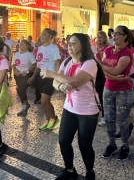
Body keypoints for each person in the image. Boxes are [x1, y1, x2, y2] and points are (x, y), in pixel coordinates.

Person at [40, 33, 99, 180]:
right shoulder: (66, 61)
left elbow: (75, 81)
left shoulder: (89, 63)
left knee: (84, 145)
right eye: (69, 43)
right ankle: (70, 170)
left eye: (74, 43)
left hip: (88, 110)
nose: (69, 45)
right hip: (70, 108)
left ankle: (90, 172)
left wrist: (52, 74)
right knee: (63, 141)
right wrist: (60, 86)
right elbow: (56, 82)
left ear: (82, 46)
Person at [100, 26, 134, 161]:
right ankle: (112, 144)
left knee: (122, 120)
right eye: (113, 34)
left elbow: (116, 70)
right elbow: (106, 71)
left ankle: (125, 146)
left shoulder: (126, 53)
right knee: (108, 119)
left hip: (124, 91)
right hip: (108, 89)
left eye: (118, 34)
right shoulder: (108, 50)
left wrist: (104, 68)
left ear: (125, 36)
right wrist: (113, 76)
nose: (114, 36)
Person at [28, 28, 61, 130]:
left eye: (44, 34)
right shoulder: (39, 48)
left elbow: (57, 63)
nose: (41, 36)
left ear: (50, 37)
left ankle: (53, 119)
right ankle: (48, 119)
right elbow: (39, 64)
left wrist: (58, 77)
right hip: (40, 77)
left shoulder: (54, 48)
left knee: (44, 100)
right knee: (44, 101)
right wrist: (33, 76)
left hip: (50, 77)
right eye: (41, 34)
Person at [13, 40, 37, 116]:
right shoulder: (16, 54)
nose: (20, 46)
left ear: (27, 46)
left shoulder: (29, 55)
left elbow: (34, 65)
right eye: (20, 44)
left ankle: (26, 104)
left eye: (22, 44)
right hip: (17, 75)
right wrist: (14, 71)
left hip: (26, 75)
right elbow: (13, 64)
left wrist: (26, 71)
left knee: (20, 89)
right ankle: (24, 108)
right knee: (19, 90)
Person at [95, 31, 109, 127]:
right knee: (98, 93)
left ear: (104, 38)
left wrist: (98, 51)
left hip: (104, 71)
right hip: (96, 71)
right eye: (97, 37)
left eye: (101, 37)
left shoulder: (108, 48)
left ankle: (105, 116)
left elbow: (105, 61)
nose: (99, 39)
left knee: (104, 94)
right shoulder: (94, 47)